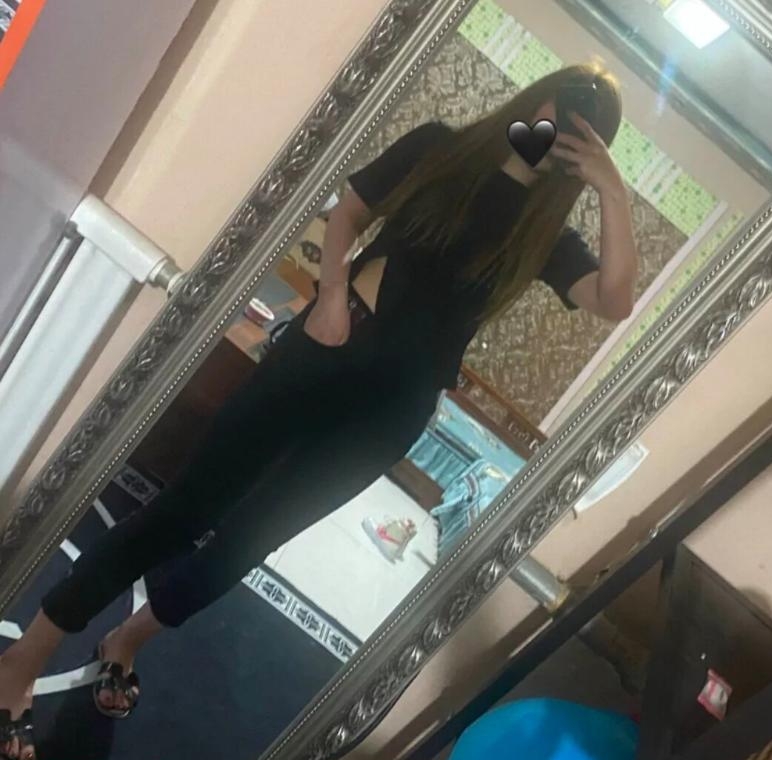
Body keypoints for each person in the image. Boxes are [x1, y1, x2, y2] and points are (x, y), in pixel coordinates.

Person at [0, 61, 637, 758]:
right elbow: (349, 214)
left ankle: (127, 640)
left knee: (249, 543)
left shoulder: (546, 239)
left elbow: (614, 301)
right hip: (327, 346)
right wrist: (330, 296)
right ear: (536, 97)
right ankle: (23, 663)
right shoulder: (440, 148)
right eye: (559, 108)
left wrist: (612, 191)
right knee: (183, 512)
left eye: (580, 129)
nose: (557, 127)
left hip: (391, 409)